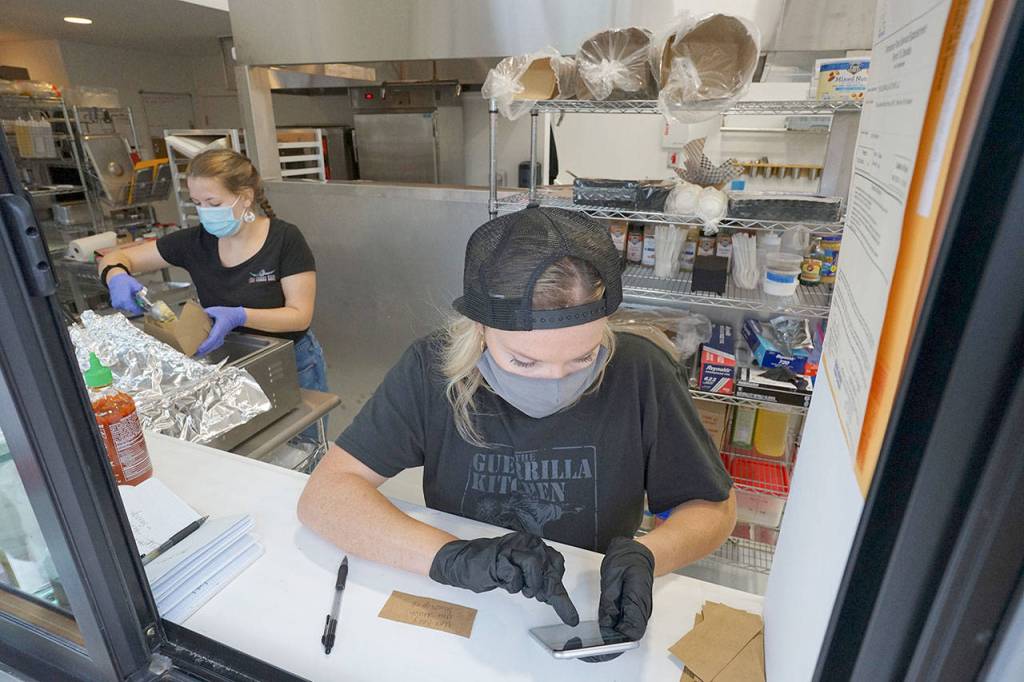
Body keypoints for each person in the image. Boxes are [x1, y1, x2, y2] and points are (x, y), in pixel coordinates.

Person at [297, 207, 735, 656]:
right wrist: (450, 557)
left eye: (584, 357)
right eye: (524, 362)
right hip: (468, 611)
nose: (556, 380)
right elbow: (328, 495)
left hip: (587, 610)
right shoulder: (431, 370)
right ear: (481, 328)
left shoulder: (642, 373)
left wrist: (651, 554)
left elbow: (712, 508)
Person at [97, 149, 328, 401]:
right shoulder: (196, 242)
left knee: (301, 439)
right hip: (227, 360)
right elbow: (115, 257)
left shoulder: (284, 239)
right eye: (197, 203)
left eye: (213, 203)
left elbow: (299, 317)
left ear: (246, 197)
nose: (204, 211)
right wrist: (116, 275)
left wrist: (240, 316)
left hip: (291, 362)